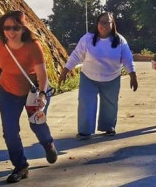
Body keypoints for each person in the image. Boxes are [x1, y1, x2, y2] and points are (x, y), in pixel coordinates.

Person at [0, 10, 57, 183]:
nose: (10, 32)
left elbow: (42, 73)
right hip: (8, 91)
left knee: (36, 124)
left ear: (23, 28)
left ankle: (48, 144)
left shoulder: (33, 45)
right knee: (9, 131)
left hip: (33, 92)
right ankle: (21, 166)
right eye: (6, 27)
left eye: (15, 28)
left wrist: (42, 95)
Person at [59, 12, 137, 140]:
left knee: (110, 104)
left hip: (111, 78)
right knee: (86, 103)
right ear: (97, 24)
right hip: (89, 77)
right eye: (101, 22)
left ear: (113, 25)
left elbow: (128, 59)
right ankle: (85, 131)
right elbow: (76, 55)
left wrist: (133, 76)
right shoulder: (87, 39)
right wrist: (65, 71)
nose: (104, 25)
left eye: (107, 22)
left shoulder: (120, 41)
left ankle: (108, 127)